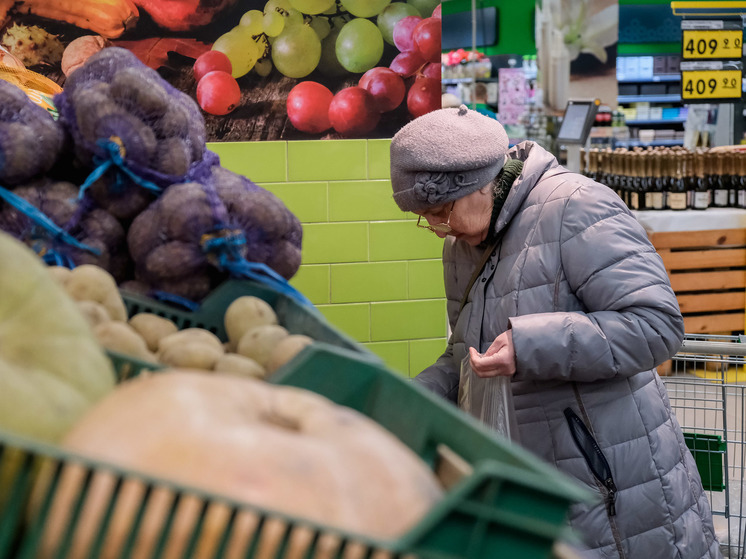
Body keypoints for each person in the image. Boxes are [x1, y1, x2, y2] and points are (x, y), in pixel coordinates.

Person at [389, 105, 721, 558]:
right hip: (534, 486)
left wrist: (530, 345)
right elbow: (468, 350)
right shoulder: (462, 247)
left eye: (441, 211)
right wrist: (418, 394)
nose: (435, 228)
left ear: (481, 184)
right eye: (424, 216)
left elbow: (656, 324)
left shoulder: (578, 208)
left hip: (611, 485)